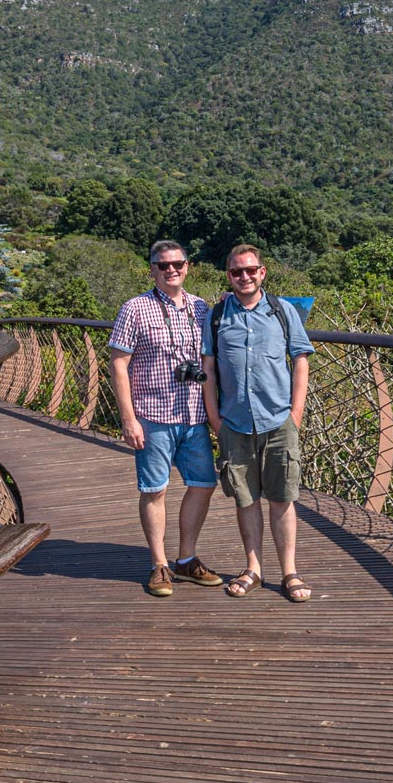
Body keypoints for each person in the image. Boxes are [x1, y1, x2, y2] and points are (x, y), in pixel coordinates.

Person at [108, 239, 223, 598]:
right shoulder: (135, 309)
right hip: (152, 415)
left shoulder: (201, 308)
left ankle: (186, 559)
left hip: (193, 414)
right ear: (152, 270)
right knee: (154, 489)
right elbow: (118, 364)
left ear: (188, 266)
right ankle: (159, 564)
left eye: (178, 263)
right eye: (163, 265)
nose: (171, 270)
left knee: (203, 484)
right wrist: (129, 419)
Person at [202, 244, 315, 602]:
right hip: (235, 423)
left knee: (283, 498)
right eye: (237, 272)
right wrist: (216, 420)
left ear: (262, 272)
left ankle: (289, 572)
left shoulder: (283, 311)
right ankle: (253, 568)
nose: (245, 276)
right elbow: (208, 369)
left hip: (279, 420)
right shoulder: (217, 315)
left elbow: (300, 359)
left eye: (251, 270)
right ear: (229, 276)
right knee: (245, 500)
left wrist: (295, 414)